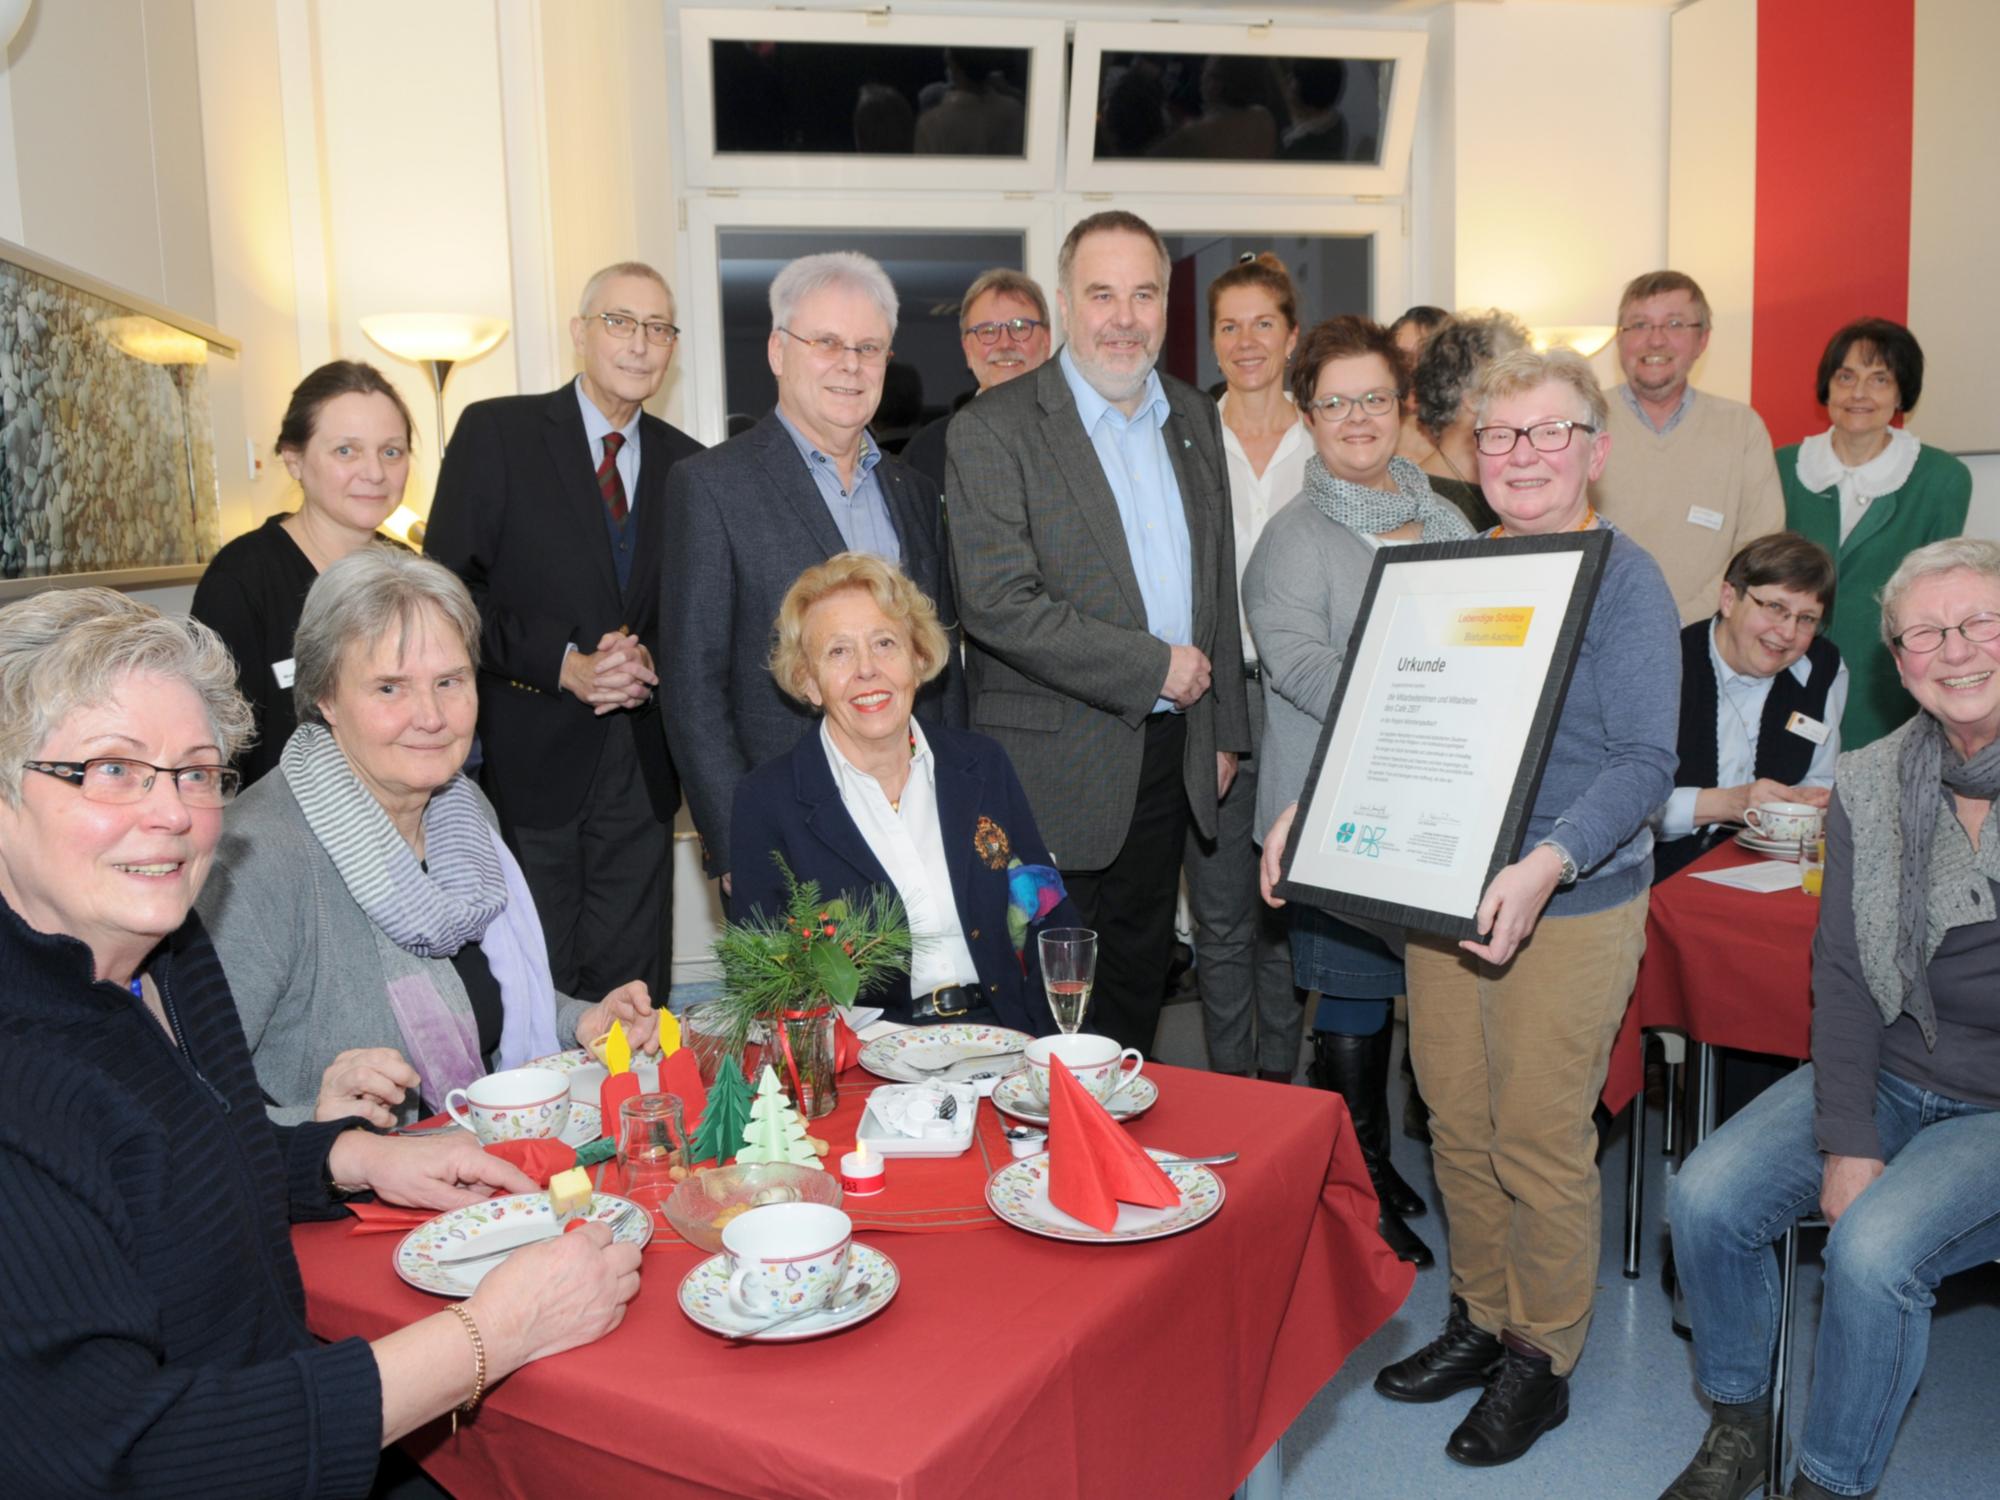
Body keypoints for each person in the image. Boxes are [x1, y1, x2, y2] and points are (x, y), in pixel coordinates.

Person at [0, 586, 640, 1495]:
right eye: (112, 770)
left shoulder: (166, 959)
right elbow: (127, 1457)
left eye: (193, 771)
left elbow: (171, 1166)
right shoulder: (24, 1076)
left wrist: (343, 1159)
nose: (173, 813)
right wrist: (487, 1338)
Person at [1264, 347, 1679, 1465]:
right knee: (1452, 1117)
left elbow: (1644, 760)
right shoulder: (1455, 567)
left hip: (1568, 901)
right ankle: (1482, 1317)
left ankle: (1540, 1356)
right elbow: (1394, 713)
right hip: (1439, 891)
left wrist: (1546, 859)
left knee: (1539, 1139)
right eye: (1499, 436)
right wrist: (1310, 805)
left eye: (1549, 432)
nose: (1522, 455)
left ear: (1593, 450)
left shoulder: (1624, 579)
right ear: (1466, 456)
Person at [1660, 536, 2000, 1500]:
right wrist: (1850, 1139)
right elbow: (1845, 977)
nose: (1957, 648)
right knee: (1707, 1199)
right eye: (1926, 632)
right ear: (1899, 662)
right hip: (1892, 1069)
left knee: (1873, 1252)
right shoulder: (1874, 780)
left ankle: (1832, 1482)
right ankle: (1740, 1425)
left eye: (1980, 622)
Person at [199, 550, 658, 1128]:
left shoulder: (463, 812)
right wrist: (316, 1129)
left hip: (473, 1164)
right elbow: (189, 1102)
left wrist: (582, 1021)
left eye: (450, 681)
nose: (432, 716)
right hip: (334, 1201)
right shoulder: (255, 856)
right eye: (390, 688)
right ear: (325, 698)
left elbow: (475, 996)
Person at [947, 209, 1250, 1056]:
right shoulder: (996, 428)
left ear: (1164, 305)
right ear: (1065, 304)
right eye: (1102, 293)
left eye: (1144, 294)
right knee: (1040, 1019)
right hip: (1050, 776)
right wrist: (1155, 667)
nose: (1124, 317)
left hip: (1169, 760)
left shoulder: (1193, 415)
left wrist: (1224, 728)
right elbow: (1000, 601)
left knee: (1131, 1002)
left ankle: (1115, 1166)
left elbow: (1214, 582)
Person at [1244, 313, 1477, 1268]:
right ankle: (1355, 1181)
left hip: (1441, 805)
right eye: (1333, 401)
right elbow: (1302, 668)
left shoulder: (1455, 514)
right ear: (1306, 414)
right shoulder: (1291, 539)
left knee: (1413, 992)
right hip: (1330, 812)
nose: (1356, 417)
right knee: (1351, 998)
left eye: (1374, 398)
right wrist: (1433, 684)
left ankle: (1378, 1165)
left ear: (1402, 406)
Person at [425, 261, 701, 1006]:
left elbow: (698, 615)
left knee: (633, 991)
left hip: (641, 769)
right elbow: (446, 593)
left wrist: (650, 658)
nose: (640, 344)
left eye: (658, 328)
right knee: (531, 987)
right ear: (580, 332)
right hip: (529, 762)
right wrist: (563, 664)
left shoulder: (692, 467)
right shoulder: (498, 432)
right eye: (620, 321)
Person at [662, 251, 965, 898]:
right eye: (826, 342)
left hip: (917, 823)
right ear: (778, 351)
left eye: (869, 347)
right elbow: (693, 688)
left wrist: (956, 802)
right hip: (786, 833)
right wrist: (736, 840)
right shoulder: (711, 487)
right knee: (810, 1005)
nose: (850, 365)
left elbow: (937, 666)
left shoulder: (913, 491)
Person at [731, 554, 1078, 1033]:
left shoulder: (982, 764)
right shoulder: (766, 802)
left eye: (884, 643)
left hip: (1003, 1035)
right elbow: (763, 986)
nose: (867, 670)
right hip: (868, 1061)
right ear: (808, 682)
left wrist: (1049, 1050)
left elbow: (1051, 925)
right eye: (838, 652)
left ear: (918, 659)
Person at [1184, 252, 1311, 1087]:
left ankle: (1283, 1100)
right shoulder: (1184, 434)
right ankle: (1233, 1096)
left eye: (1263, 321)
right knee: (1223, 920)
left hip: (1305, 703)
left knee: (1290, 917)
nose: (1246, 340)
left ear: (1292, 334)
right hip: (1217, 696)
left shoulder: (1329, 437)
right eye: (1228, 325)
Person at [192, 361, 415, 787]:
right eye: (346, 451)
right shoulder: (242, 580)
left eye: (391, 451)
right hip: (281, 835)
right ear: (293, 459)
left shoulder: (412, 575)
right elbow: (213, 746)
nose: (374, 472)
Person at [1779, 317, 1973, 750]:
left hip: (1885, 684)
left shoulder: (1942, 478)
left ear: (1902, 392)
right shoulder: (1783, 466)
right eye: (1845, 377)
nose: (1859, 394)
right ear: (1827, 387)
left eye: (1879, 379)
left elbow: (1937, 597)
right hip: (1786, 668)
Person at [1590, 270, 1786, 624]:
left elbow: (1759, 545)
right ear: (1619, 339)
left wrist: (1684, 620)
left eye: (1675, 323)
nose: (1656, 340)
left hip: (1708, 637)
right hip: (1600, 632)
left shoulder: (1741, 428)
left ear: (1703, 340)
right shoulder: (1583, 421)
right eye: (1639, 325)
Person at [1654, 532, 1846, 882]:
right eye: (1776, 608)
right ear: (1729, 599)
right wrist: (1729, 803)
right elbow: (1627, 811)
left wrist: (1804, 803)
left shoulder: (1823, 669)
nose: (1787, 632)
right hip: (1660, 874)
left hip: (1769, 870)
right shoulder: (1665, 664)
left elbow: (1820, 777)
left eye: (1806, 619)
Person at [900, 267, 1052, 491]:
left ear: (1046, 341)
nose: (1005, 343)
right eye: (988, 331)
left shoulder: (1081, 439)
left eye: (1020, 327)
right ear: (967, 350)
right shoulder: (927, 451)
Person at [1405, 309, 1532, 533]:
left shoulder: (1514, 488)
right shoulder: (1413, 502)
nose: (1527, 398)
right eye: (1514, 384)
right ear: (1473, 399)